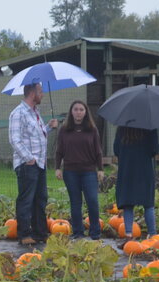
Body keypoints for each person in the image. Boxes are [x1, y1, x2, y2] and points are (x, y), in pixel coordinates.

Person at [9, 82, 58, 246]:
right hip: (28, 164)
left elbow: (35, 136)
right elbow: (14, 139)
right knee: (26, 200)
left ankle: (40, 233)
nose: (42, 94)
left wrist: (48, 128)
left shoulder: (35, 113)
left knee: (40, 199)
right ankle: (24, 234)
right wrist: (28, 158)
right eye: (40, 91)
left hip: (39, 163)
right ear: (32, 93)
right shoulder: (18, 113)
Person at [55, 100, 104, 240]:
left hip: (89, 171)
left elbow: (98, 151)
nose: (78, 112)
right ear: (71, 112)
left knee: (92, 201)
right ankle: (78, 232)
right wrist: (58, 168)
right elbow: (59, 151)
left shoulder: (92, 129)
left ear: (85, 112)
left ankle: (95, 232)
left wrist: (100, 169)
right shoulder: (64, 130)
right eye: (75, 109)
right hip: (70, 171)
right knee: (75, 202)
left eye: (81, 109)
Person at [113, 126, 159, 238]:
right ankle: (152, 235)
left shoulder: (122, 128)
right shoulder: (150, 127)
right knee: (148, 204)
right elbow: (154, 150)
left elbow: (116, 150)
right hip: (145, 170)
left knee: (128, 204)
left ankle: (128, 234)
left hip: (127, 170)